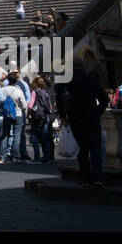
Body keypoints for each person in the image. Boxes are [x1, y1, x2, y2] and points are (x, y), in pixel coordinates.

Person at [57, 48, 107, 188]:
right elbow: (104, 98)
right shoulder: (90, 78)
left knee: (83, 148)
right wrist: (98, 112)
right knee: (95, 147)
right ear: (83, 66)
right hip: (91, 115)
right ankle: (98, 178)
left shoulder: (65, 81)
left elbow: (59, 100)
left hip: (75, 116)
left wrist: (63, 116)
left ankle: (86, 178)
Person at [1, 71, 28, 162]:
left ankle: (3, 154)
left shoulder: (3, 89)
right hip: (17, 114)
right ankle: (15, 154)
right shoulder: (19, 91)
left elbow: (0, 100)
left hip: (6, 114)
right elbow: (24, 105)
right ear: (16, 80)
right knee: (17, 135)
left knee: (5, 134)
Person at [28, 77, 55, 164]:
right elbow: (50, 107)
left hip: (36, 117)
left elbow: (30, 105)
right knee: (45, 138)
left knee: (33, 136)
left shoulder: (34, 92)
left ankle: (37, 157)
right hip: (45, 117)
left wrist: (28, 114)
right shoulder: (46, 92)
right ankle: (46, 157)